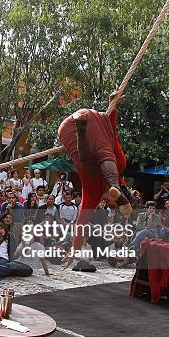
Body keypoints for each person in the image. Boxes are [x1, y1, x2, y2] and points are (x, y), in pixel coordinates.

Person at [57, 93, 131, 254]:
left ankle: (81, 130)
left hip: (79, 125)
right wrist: (113, 106)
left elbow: (81, 224)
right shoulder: (95, 192)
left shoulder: (94, 193)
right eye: (111, 203)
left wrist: (74, 251)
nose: (106, 203)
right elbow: (114, 135)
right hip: (83, 125)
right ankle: (113, 183)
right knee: (97, 159)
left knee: (93, 164)